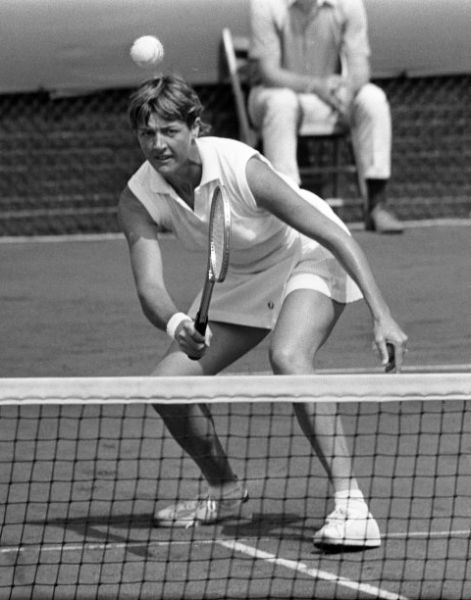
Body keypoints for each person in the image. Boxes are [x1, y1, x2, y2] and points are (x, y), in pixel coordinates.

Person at [118, 75, 408, 549]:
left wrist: (383, 315)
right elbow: (149, 288)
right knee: (166, 387)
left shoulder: (239, 166)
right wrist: (177, 322)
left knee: (289, 357)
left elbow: (336, 235)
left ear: (194, 127)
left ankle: (352, 506)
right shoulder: (137, 198)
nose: (158, 144)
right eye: (147, 134)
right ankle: (226, 491)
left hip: (308, 252)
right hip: (244, 275)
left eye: (169, 130)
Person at [248, 0, 404, 234]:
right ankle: (288, 212)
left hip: (329, 100)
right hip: (275, 96)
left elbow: (359, 66)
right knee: (282, 102)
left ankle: (376, 205)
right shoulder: (265, 4)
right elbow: (269, 73)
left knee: (373, 99)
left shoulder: (349, 5)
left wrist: (347, 94)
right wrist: (315, 85)